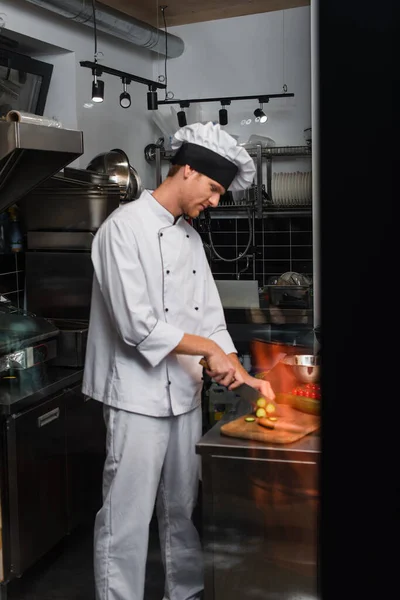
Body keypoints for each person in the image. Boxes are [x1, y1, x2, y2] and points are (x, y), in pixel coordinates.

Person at [82, 121, 276, 600]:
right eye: (212, 189)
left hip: (184, 398)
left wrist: (239, 368)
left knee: (181, 510)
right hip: (135, 398)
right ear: (187, 170)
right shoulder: (121, 230)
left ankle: (184, 593)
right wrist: (210, 352)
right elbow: (138, 327)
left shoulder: (188, 239)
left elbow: (210, 320)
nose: (214, 201)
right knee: (126, 517)